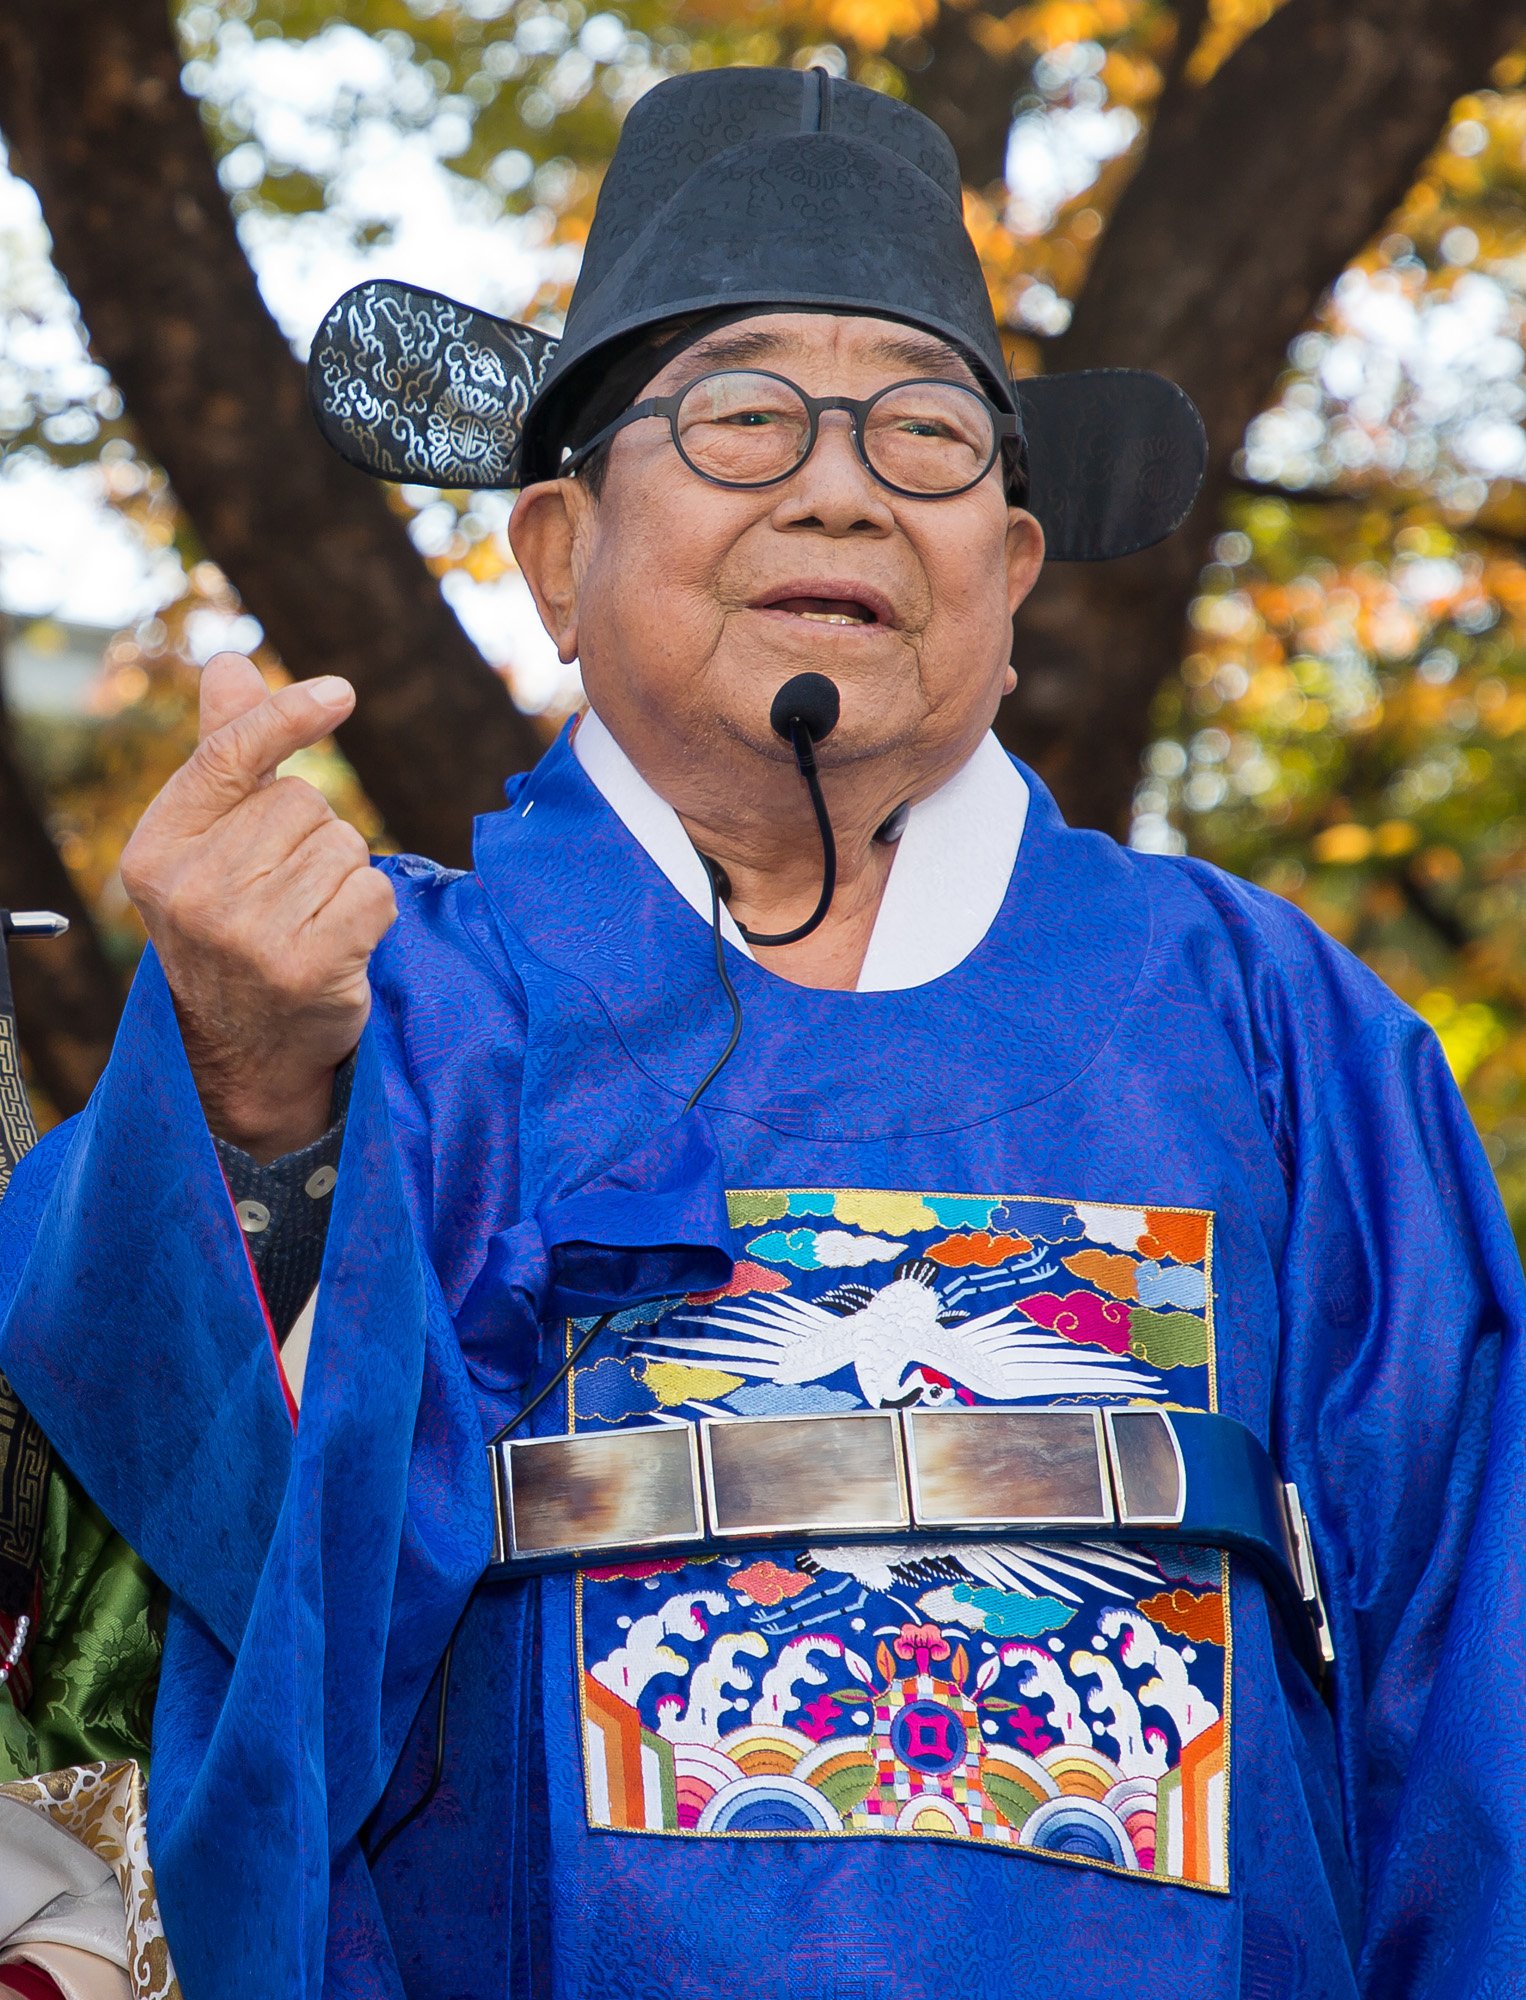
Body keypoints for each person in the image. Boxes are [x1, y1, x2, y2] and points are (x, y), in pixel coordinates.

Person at [0, 61, 1521, 2000]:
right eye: (738, 417)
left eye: (926, 433)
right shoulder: (376, 999)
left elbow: (1476, 1692)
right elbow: (147, 1536)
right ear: (556, 554)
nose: (840, 487)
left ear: (1011, 572)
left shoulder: (1272, 1027)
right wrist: (247, 1107)